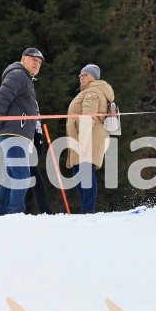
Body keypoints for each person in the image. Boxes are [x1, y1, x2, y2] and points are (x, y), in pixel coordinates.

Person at [0, 48, 43, 215]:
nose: (37, 63)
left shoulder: (25, 78)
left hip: (17, 132)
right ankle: (15, 213)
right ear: (23, 58)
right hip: (13, 132)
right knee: (21, 173)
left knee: (12, 173)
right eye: (33, 59)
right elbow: (0, 98)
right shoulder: (19, 75)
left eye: (39, 62)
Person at [65, 64, 115, 214]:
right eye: (80, 75)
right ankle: (86, 209)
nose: (81, 77)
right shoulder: (91, 91)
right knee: (79, 172)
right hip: (85, 137)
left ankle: (88, 210)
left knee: (85, 172)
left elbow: (88, 117)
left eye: (85, 75)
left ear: (93, 76)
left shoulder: (92, 92)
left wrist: (82, 141)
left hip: (88, 138)